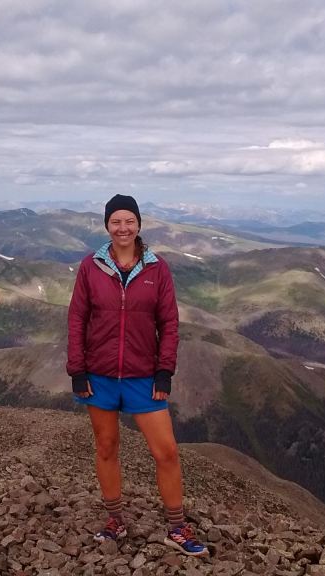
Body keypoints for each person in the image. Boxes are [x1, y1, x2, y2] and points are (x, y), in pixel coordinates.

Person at [66, 194, 208, 557]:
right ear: (107, 226)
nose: (123, 227)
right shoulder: (90, 267)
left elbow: (169, 324)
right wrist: (77, 370)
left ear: (139, 225)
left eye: (129, 221)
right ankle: (115, 520)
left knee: (167, 452)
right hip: (98, 375)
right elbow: (77, 319)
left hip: (143, 376)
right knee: (107, 447)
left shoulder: (157, 269)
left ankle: (176, 528)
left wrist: (164, 372)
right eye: (116, 221)